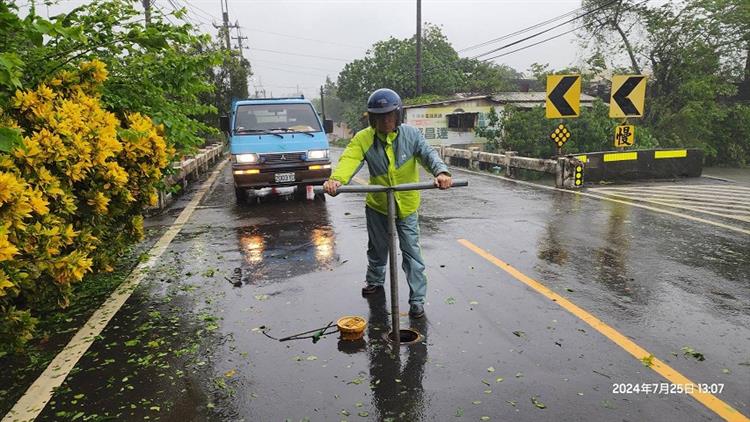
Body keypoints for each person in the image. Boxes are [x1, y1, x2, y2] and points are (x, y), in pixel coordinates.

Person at [323, 88, 452, 318]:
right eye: (379, 116)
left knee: (412, 253)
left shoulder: (411, 135)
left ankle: (417, 301)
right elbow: (350, 159)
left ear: (398, 115)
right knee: (377, 248)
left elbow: (427, 153)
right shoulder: (364, 138)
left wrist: (441, 171)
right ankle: (374, 280)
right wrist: (336, 180)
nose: (384, 120)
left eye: (389, 115)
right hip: (378, 205)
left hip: (407, 205)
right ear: (372, 118)